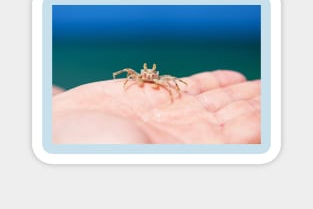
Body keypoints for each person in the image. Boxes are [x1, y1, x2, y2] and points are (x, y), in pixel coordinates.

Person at [52, 70, 260, 144]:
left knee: (171, 82)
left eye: (151, 72)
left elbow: (171, 81)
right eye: (147, 71)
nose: (149, 73)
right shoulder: (137, 77)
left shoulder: (159, 79)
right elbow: (126, 74)